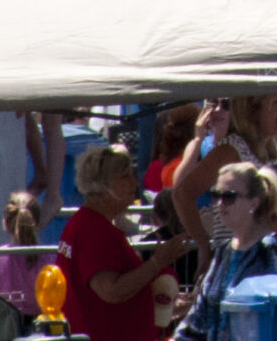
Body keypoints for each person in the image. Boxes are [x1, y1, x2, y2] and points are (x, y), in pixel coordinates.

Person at [58, 145, 189, 341]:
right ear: (102, 186)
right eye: (125, 176)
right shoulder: (93, 230)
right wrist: (157, 262)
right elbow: (111, 291)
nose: (135, 183)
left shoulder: (86, 224)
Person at [174, 161, 277, 341]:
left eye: (229, 197)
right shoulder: (224, 252)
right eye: (215, 195)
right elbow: (199, 316)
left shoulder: (270, 250)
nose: (220, 203)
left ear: (253, 203)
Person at [172, 97, 277, 253]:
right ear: (253, 111)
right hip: (236, 259)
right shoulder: (231, 149)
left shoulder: (268, 153)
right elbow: (182, 194)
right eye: (276, 102)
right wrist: (204, 248)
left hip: (263, 255)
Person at [0, 188, 52, 319]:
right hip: (40, 331)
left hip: (2, 330)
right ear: (37, 221)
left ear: (5, 221)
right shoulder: (50, 258)